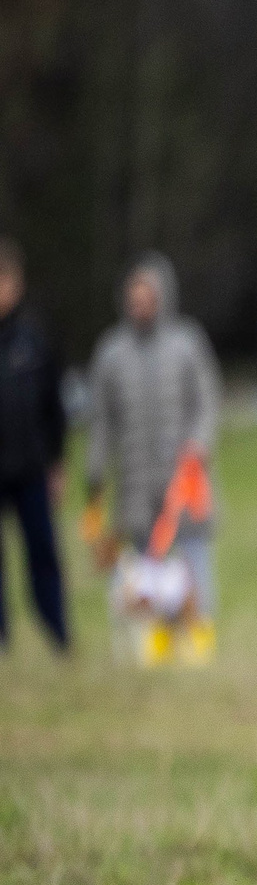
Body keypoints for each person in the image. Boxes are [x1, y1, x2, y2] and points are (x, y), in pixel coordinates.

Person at [88, 254, 222, 662]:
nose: (140, 304)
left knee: (192, 553)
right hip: (136, 481)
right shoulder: (111, 353)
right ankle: (160, 638)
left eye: (148, 296)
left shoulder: (186, 342)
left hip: (184, 477)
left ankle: (200, 635)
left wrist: (198, 444)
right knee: (150, 564)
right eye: (134, 297)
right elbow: (101, 422)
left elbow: (207, 401)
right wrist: (94, 471)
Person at [0, 238, 71, 655]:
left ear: (16, 284)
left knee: (43, 553)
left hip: (30, 466)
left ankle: (57, 634)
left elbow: (53, 405)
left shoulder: (34, 341)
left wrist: (57, 462)